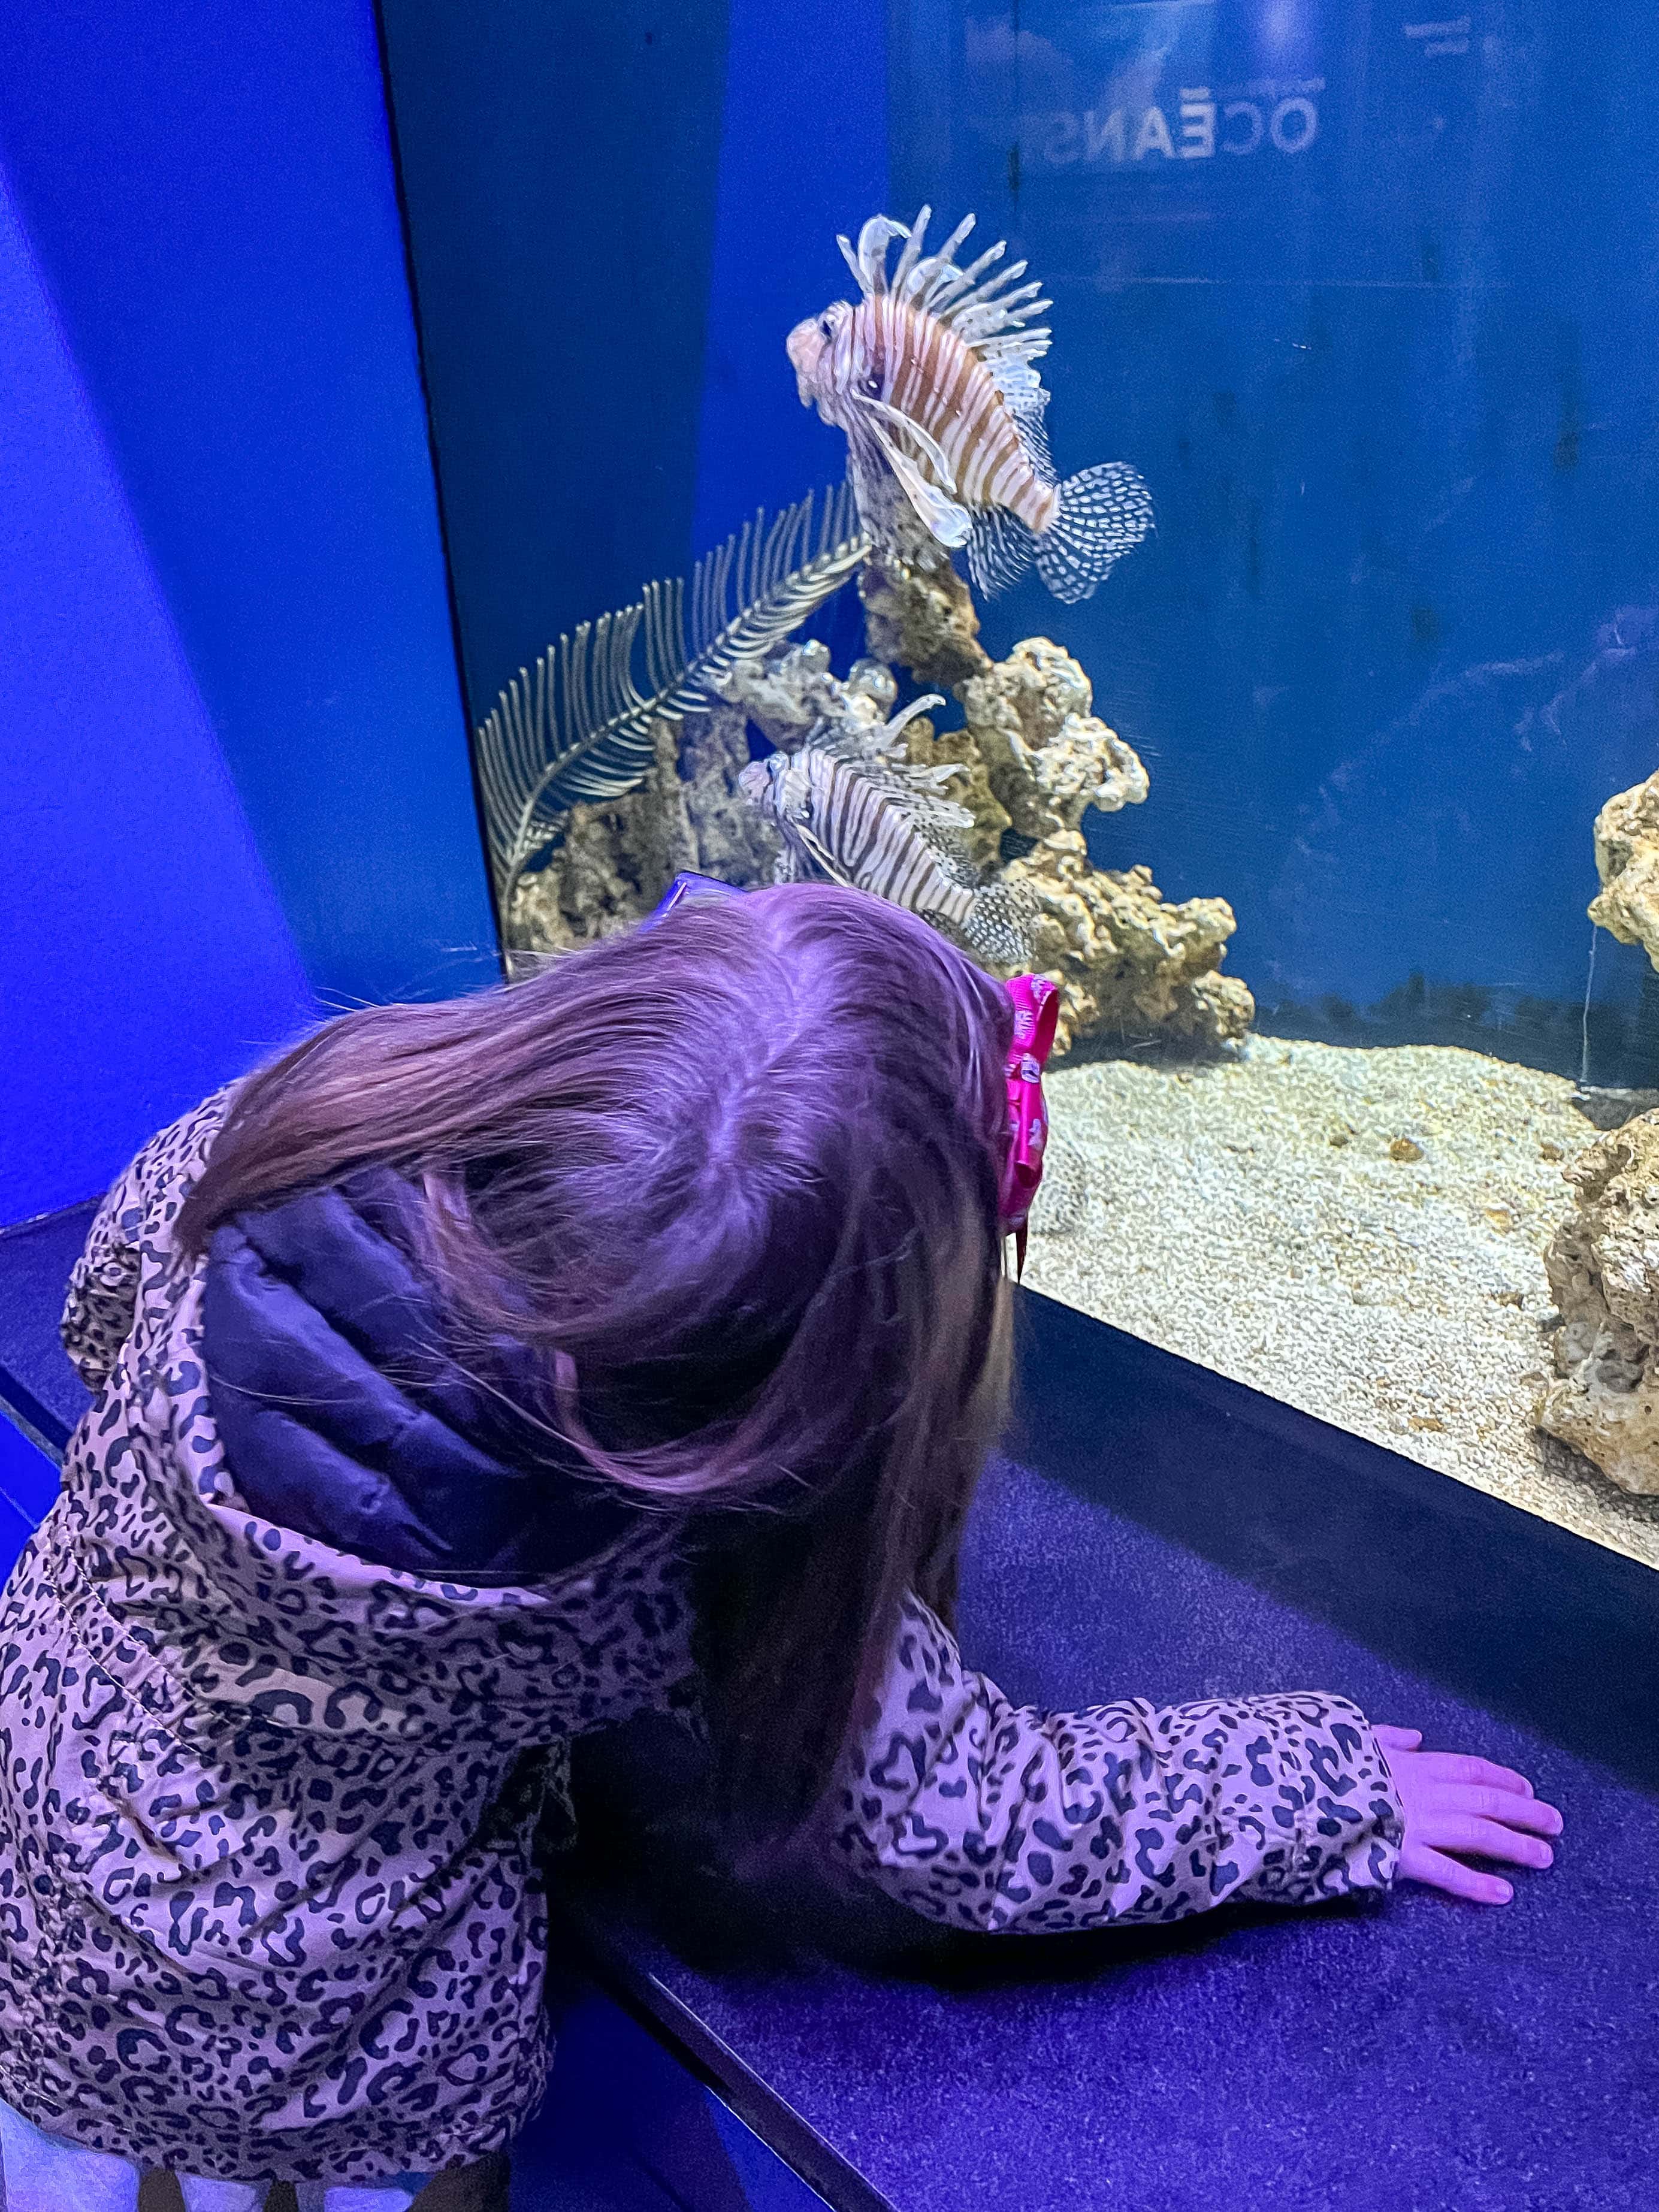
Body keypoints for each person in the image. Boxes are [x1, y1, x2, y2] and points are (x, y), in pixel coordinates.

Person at [0, 884, 1562, 2211]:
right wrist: (1325, 1785)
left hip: (27, 1843)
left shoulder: (287, 1121)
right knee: (359, 2086)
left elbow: (95, 1324)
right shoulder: (673, 1560)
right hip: (322, 2029)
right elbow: (985, 1820)